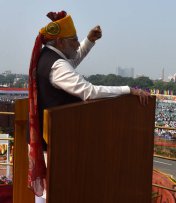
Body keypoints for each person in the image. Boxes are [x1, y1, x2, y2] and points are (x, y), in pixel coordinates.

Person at [28, 11, 150, 202]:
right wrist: (128, 90)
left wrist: (89, 41)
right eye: (74, 40)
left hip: (54, 136)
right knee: (50, 194)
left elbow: (72, 60)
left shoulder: (49, 56)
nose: (77, 44)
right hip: (56, 138)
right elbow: (89, 91)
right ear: (60, 42)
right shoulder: (56, 64)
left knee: (47, 193)